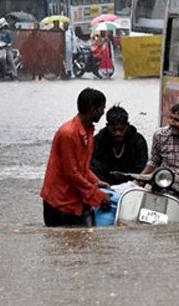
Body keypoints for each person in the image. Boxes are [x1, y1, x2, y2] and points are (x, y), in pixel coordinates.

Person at [40, 87, 112, 226]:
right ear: (93, 109)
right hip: (59, 202)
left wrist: (96, 181)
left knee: (82, 243)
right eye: (102, 108)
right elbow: (71, 173)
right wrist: (97, 195)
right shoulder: (68, 133)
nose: (103, 112)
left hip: (76, 199)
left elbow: (82, 167)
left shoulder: (88, 130)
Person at [91, 105, 149, 185]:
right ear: (107, 126)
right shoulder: (98, 141)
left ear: (127, 126)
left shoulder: (138, 141)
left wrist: (132, 184)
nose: (118, 133)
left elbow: (140, 168)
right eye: (114, 129)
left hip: (132, 186)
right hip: (105, 185)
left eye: (121, 129)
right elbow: (95, 168)